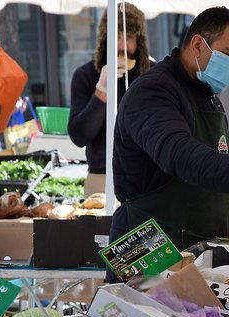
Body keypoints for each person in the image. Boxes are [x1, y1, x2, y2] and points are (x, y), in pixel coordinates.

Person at [111, 7, 229, 251]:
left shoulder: (207, 95)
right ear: (198, 45)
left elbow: (209, 182)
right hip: (151, 249)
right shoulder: (152, 92)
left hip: (199, 246)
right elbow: (178, 152)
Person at [68, 3, 151, 197]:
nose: (122, 46)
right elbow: (79, 136)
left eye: (129, 37)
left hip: (148, 176)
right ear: (105, 39)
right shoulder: (86, 75)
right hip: (102, 177)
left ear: (139, 41)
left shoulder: (153, 74)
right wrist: (101, 91)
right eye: (117, 36)